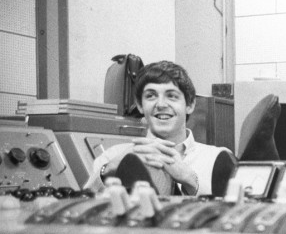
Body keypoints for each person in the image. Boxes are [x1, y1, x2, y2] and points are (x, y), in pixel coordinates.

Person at [86, 60, 233, 196]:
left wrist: (191, 180)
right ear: (140, 105)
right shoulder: (111, 156)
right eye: (151, 96)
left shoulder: (218, 159)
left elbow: (237, 213)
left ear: (190, 105)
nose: (161, 104)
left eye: (172, 96)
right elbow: (82, 207)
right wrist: (110, 169)